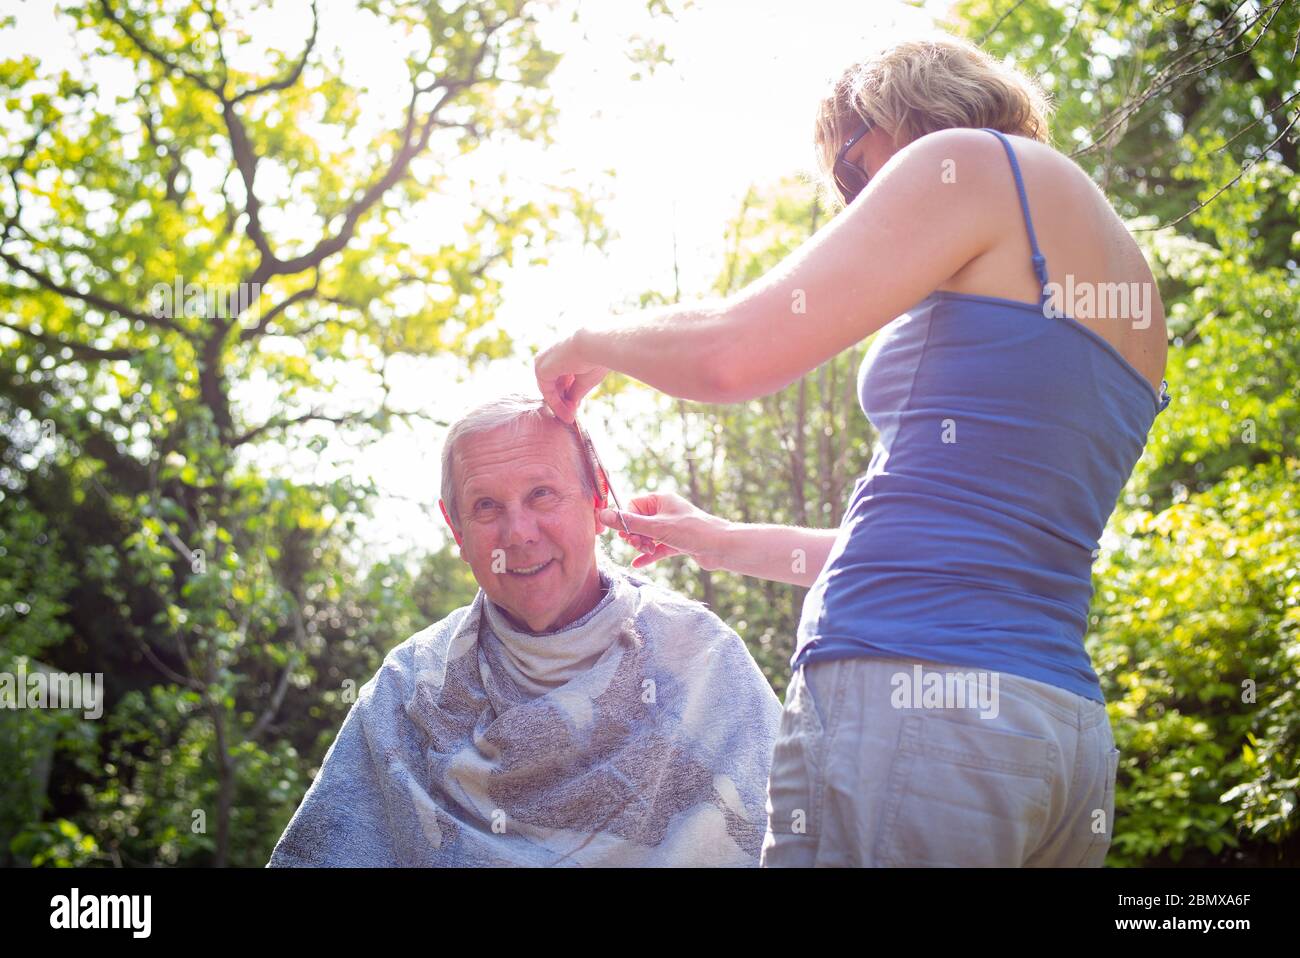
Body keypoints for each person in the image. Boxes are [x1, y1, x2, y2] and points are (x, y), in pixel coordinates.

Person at [534, 34, 1171, 867]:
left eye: (851, 170)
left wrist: (590, 339)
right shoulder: (1134, 291)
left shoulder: (968, 163)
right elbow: (922, 551)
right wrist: (711, 538)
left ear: (900, 108)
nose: (854, 203)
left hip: (913, 711)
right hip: (1056, 734)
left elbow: (732, 351)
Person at [267, 394, 781, 867]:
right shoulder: (408, 691)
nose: (518, 534)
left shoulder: (702, 659)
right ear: (457, 530)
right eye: (486, 506)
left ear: (597, 496)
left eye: (542, 494)